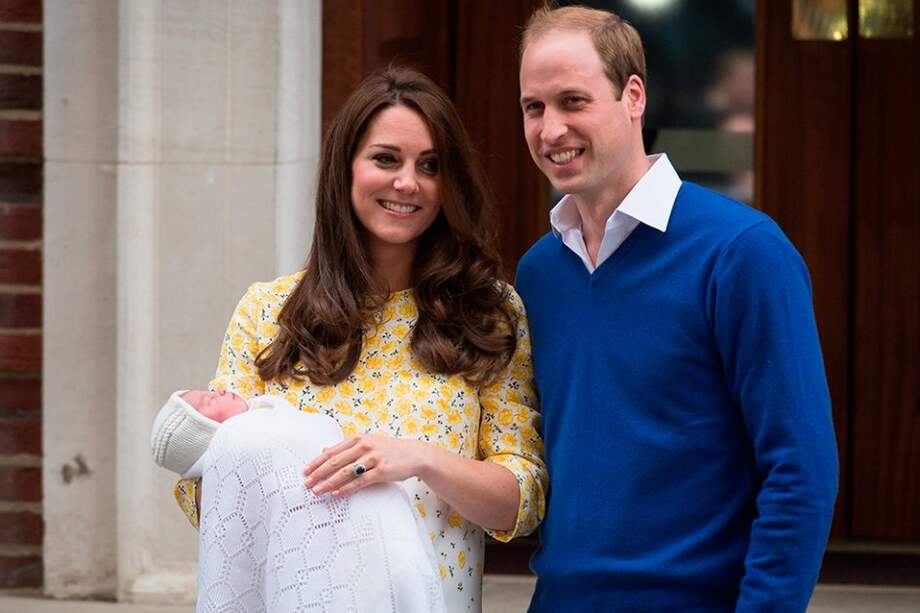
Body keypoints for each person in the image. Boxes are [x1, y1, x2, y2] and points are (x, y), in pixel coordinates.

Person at [172, 66, 547, 613]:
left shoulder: (488, 313)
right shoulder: (269, 311)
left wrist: (421, 460)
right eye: (386, 159)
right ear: (345, 168)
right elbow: (212, 497)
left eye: (430, 166)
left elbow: (523, 502)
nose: (407, 183)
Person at [514, 5, 838, 612]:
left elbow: (801, 471)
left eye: (573, 101)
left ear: (632, 96)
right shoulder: (539, 273)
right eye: (535, 107)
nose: (551, 129)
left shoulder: (743, 253)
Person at [152, 389, 446, 612]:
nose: (216, 391)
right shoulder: (247, 437)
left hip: (406, 534)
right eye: (205, 404)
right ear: (207, 435)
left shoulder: (274, 418)